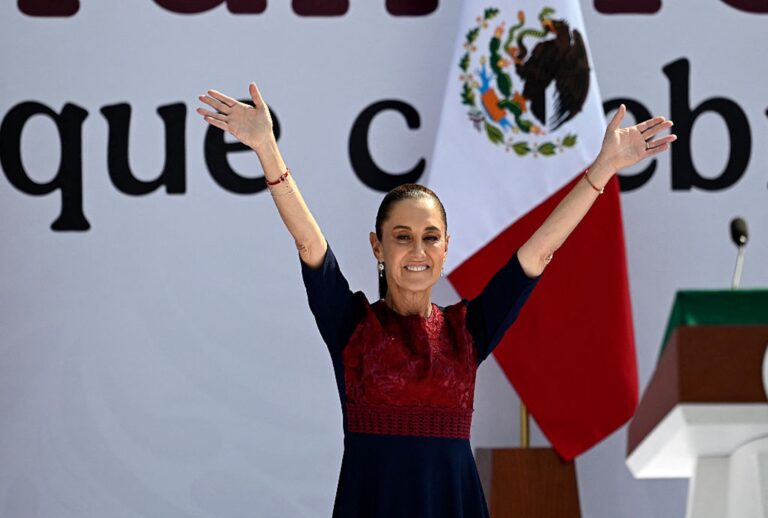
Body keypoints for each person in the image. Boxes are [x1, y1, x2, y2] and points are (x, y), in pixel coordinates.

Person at [196, 82, 675, 518]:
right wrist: (267, 150)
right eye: (402, 237)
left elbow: (541, 248)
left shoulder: (468, 331)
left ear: (446, 248)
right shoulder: (350, 326)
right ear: (377, 247)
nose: (417, 251)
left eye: (430, 237)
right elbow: (308, 243)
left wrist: (603, 168)